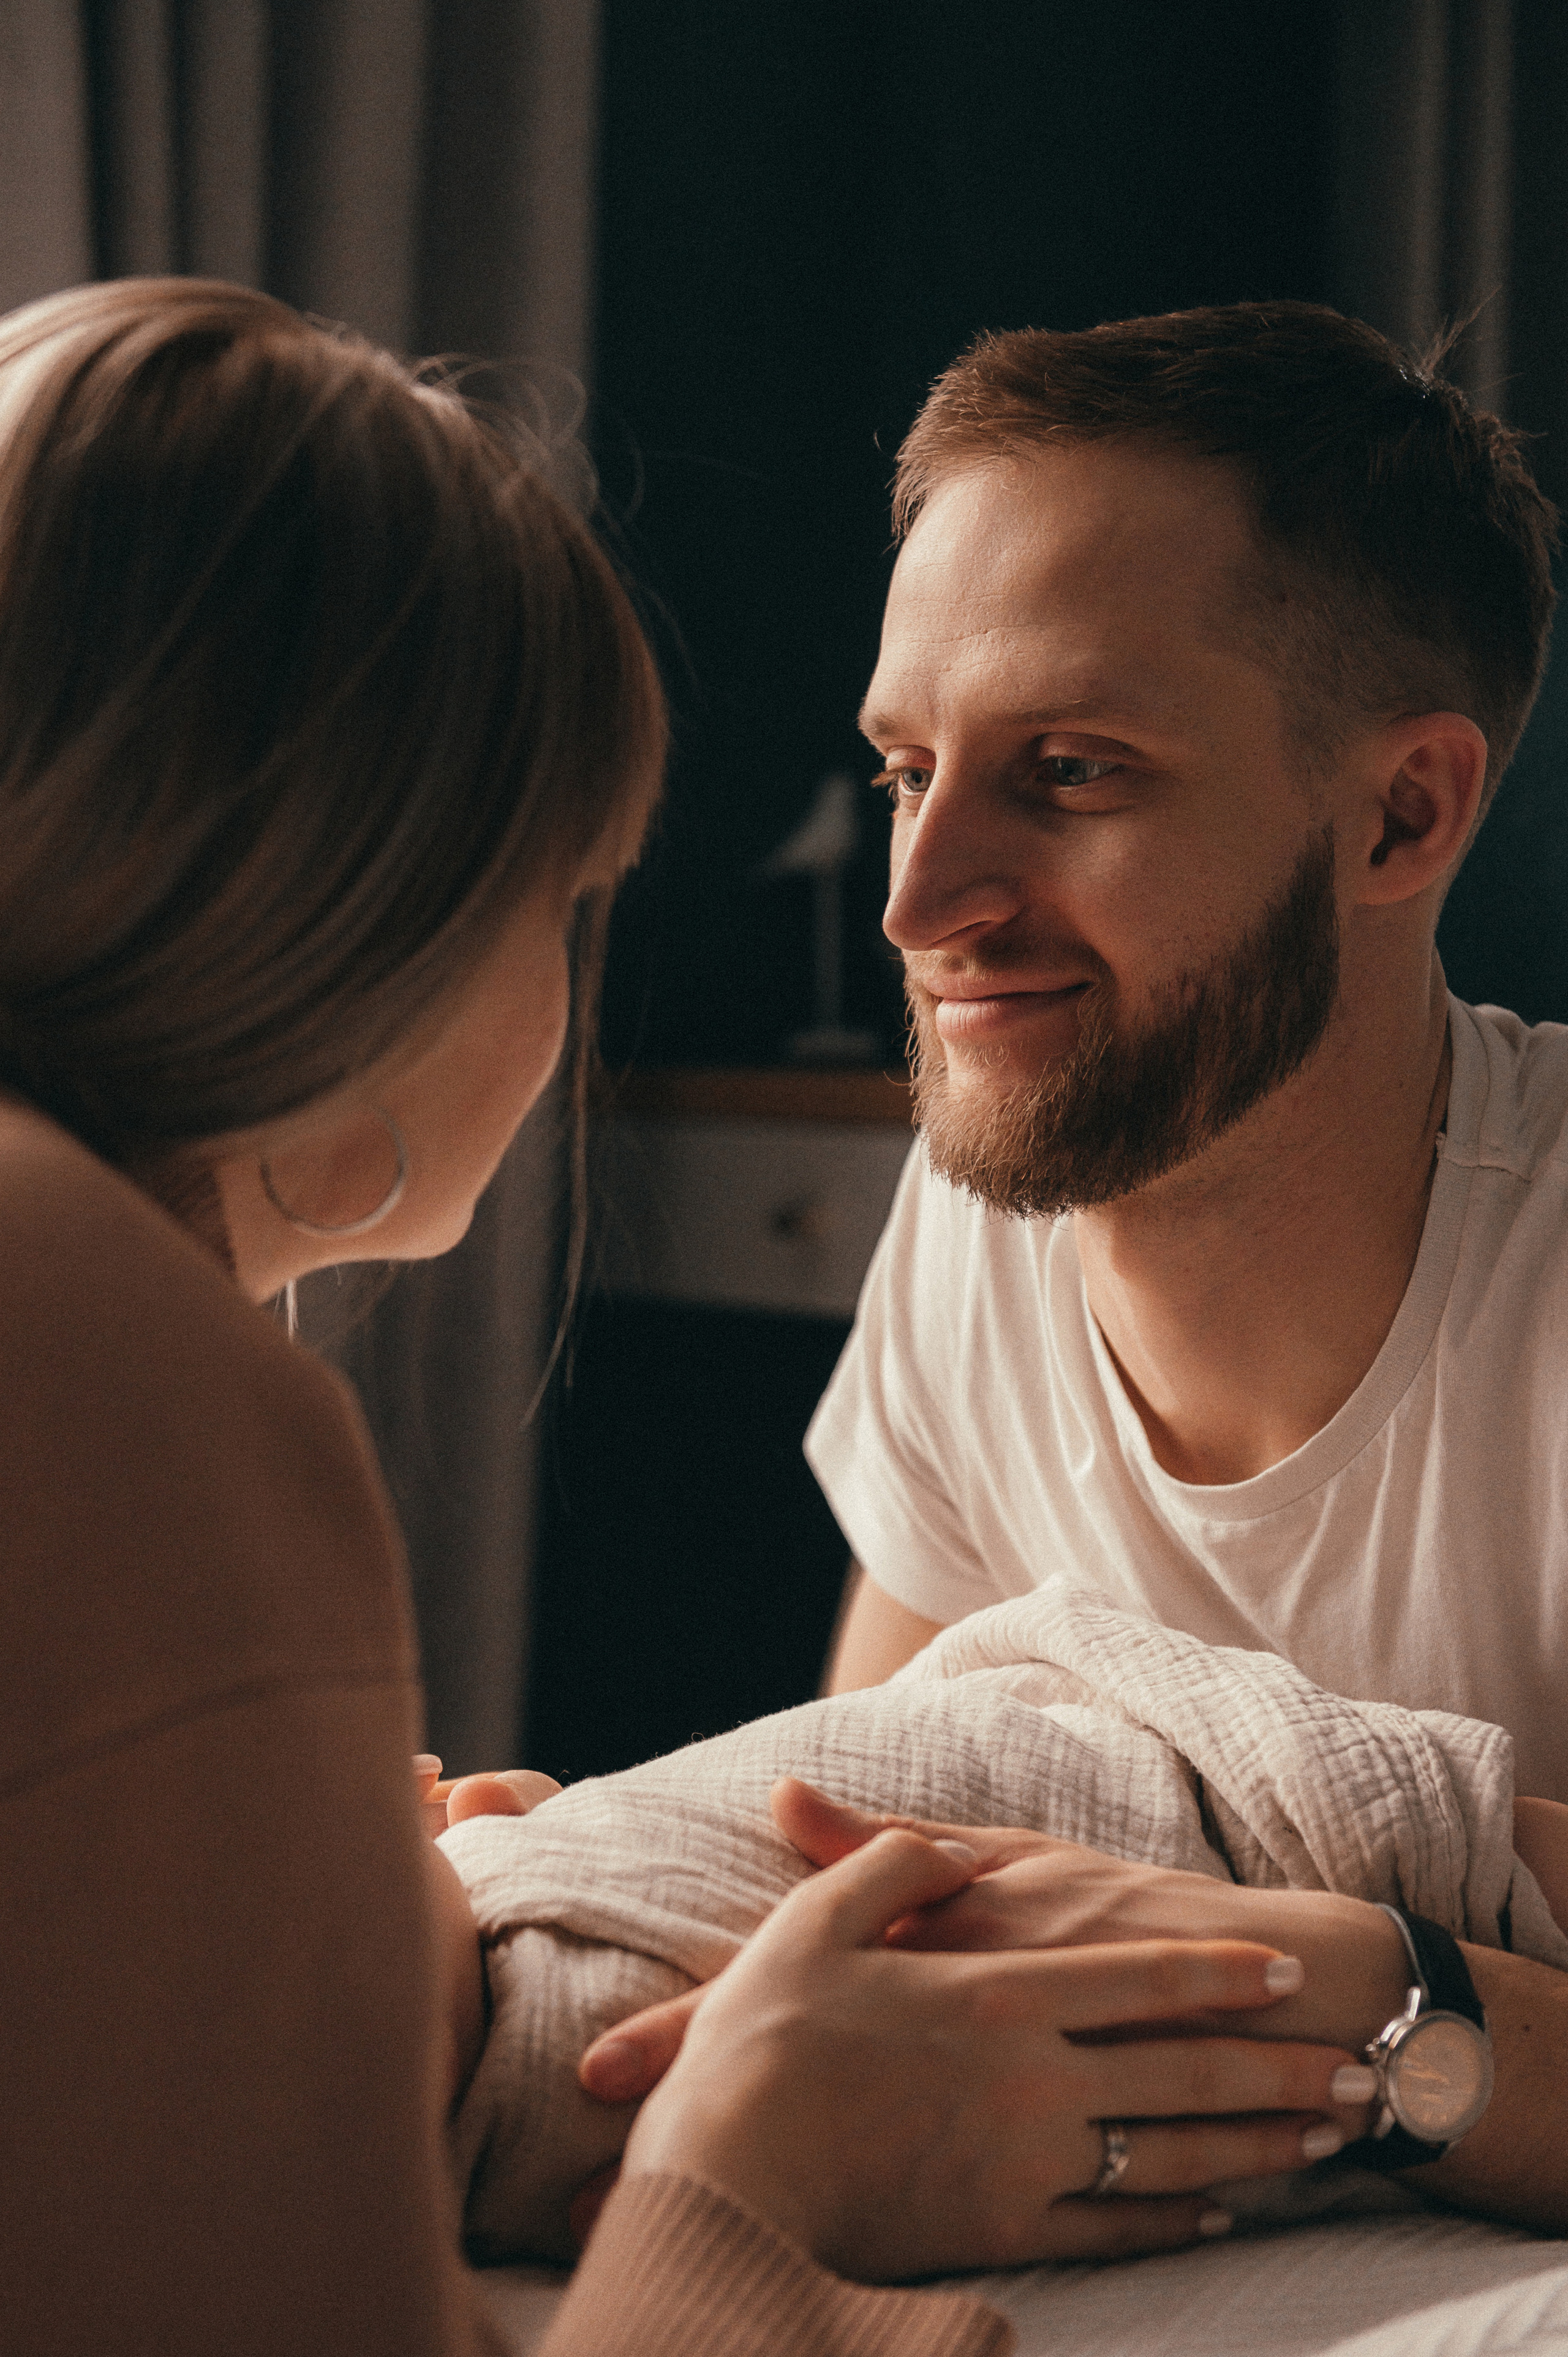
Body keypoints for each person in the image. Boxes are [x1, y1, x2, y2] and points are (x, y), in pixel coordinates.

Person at [0, 278, 1362, 2357]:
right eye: (568, 894)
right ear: (383, 903)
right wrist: (746, 2159)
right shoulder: (108, 1350)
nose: (914, 912)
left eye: (1070, 768)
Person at [794, 301, 1568, 2233]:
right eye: (908, 768)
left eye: (1069, 770)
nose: (918, 905)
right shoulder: (976, 1213)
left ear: (1403, 813)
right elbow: (892, 1832)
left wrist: (1359, 2003)